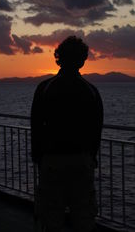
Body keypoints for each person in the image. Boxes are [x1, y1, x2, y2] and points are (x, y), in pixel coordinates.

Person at [31, 36, 103, 232]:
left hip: (52, 161)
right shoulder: (91, 91)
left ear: (58, 58)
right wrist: (91, 157)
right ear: (82, 60)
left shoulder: (44, 88)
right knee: (84, 218)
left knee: (52, 217)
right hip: (81, 161)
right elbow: (96, 129)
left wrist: (38, 157)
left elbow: (36, 126)